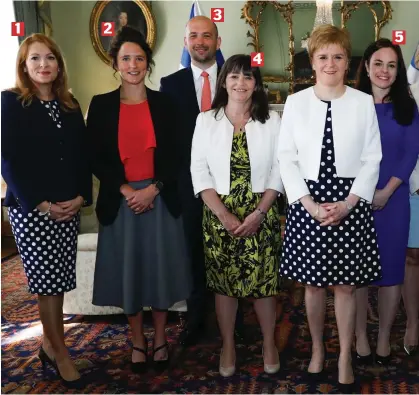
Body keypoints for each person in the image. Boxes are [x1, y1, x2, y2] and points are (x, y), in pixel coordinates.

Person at [278, 25, 382, 390]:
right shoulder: (295, 102)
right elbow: (286, 158)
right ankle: (318, 349)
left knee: (346, 287)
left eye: (338, 56)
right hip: (307, 202)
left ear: (346, 60)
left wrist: (350, 203)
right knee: (313, 286)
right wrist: (307, 204)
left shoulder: (362, 102)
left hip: (350, 202)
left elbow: (372, 158)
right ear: (312, 61)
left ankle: (344, 356)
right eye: (323, 57)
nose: (331, 63)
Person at [88, 26, 192, 373]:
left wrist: (154, 188)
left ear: (148, 63)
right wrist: (127, 190)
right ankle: (137, 340)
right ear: (115, 64)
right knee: (130, 274)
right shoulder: (101, 106)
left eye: (140, 58)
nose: (133, 65)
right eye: (126, 58)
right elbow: (97, 158)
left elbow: (178, 154)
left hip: (160, 199)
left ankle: (160, 338)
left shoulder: (165, 103)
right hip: (122, 202)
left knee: (160, 272)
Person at [1, 33, 92, 388]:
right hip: (32, 209)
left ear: (59, 64)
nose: (43, 65)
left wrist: (82, 197)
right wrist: (41, 204)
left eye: (50, 58)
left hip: (67, 207)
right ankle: (60, 352)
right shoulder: (11, 102)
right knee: (46, 284)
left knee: (59, 282)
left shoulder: (69, 104)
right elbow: (8, 159)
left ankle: (48, 344)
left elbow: (83, 157)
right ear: (24, 66)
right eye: (35, 59)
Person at [191, 54, 283, 376]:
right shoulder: (206, 120)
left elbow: (279, 168)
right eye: (234, 76)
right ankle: (228, 344)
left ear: (256, 84)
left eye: (247, 77)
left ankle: (268, 343)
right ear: (224, 81)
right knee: (224, 283)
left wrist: (259, 212)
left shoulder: (271, 121)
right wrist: (224, 216)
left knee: (264, 282)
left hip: (262, 212)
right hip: (220, 215)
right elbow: (199, 172)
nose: (240, 83)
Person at [160, 16, 245, 346]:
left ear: (217, 42)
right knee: (194, 253)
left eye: (206, 36)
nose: (200, 41)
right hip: (189, 188)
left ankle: (236, 321)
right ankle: (196, 319)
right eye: (193, 36)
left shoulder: (236, 80)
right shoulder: (171, 84)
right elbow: (168, 142)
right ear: (185, 42)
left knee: (233, 254)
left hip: (232, 186)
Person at [354, 38, 419, 365]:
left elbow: (410, 153)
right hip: (355, 200)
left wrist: (386, 192)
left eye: (391, 65)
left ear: (398, 71)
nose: (384, 71)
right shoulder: (351, 104)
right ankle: (361, 337)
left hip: (393, 202)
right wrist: (363, 194)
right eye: (378, 63)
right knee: (358, 273)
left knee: (392, 271)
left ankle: (382, 338)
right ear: (366, 66)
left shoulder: (408, 106)